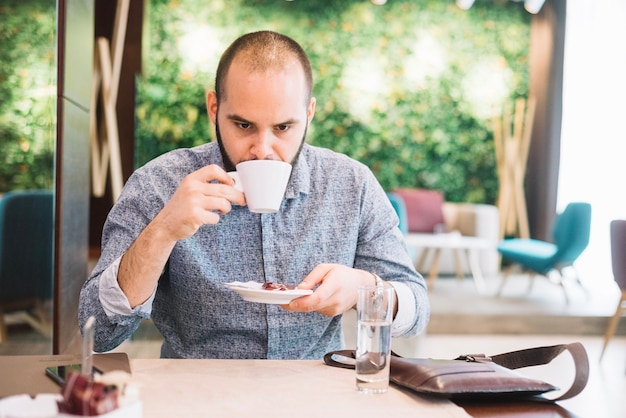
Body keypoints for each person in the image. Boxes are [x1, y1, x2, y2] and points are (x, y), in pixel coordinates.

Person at [79, 30, 429, 359]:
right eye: (243, 125)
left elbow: (417, 310)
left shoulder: (352, 184)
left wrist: (364, 288)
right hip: (198, 394)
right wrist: (162, 232)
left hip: (314, 393)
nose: (262, 149)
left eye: (283, 127)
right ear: (214, 108)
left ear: (309, 114)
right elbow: (97, 329)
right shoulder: (158, 184)